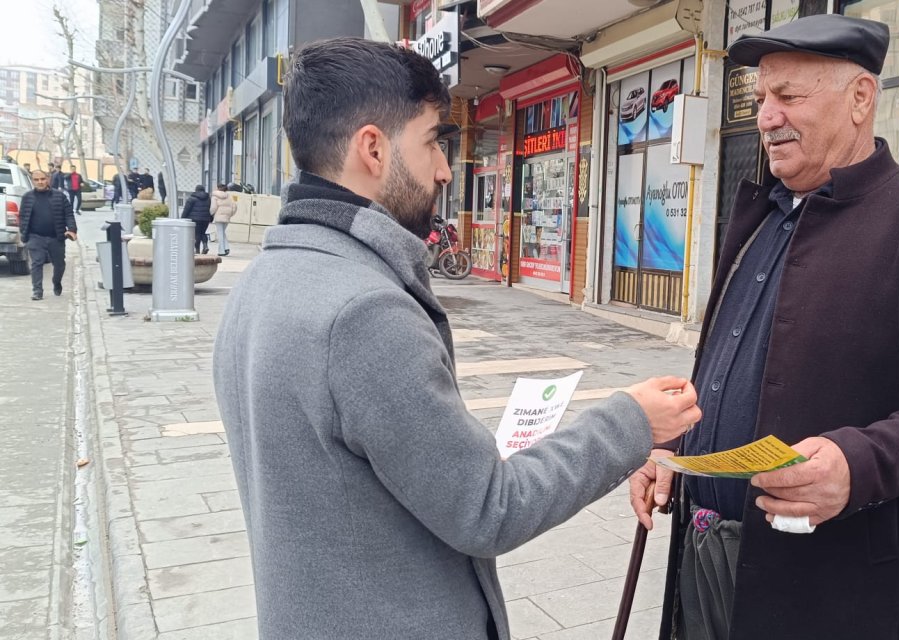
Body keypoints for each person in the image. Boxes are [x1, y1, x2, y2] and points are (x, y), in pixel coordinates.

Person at [211, 37, 703, 639]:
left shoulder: (268, 275)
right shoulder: (365, 314)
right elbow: (489, 508)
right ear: (373, 148)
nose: (445, 169)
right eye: (432, 142)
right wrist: (631, 420)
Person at [628, 15, 899, 639]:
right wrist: (676, 450)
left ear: (861, 99)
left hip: (835, 590)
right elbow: (730, 369)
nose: (766, 117)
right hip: (702, 558)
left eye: (789, 97)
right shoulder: (759, 214)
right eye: (761, 99)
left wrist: (857, 464)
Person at [18, 170, 77, 300]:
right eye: (36, 180)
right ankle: (37, 291)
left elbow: (69, 214)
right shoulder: (27, 197)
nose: (40, 182)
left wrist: (72, 229)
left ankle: (56, 282)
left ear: (48, 179)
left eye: (43, 179)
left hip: (56, 237)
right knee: (37, 263)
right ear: (32, 181)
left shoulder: (59, 196)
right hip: (35, 237)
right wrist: (24, 233)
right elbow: (22, 216)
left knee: (59, 264)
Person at [180, 184, 213, 254]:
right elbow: (210, 209)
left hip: (194, 219)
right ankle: (205, 245)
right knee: (203, 233)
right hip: (205, 219)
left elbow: (187, 209)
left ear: (196, 190)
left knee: (197, 234)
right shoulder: (208, 198)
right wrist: (211, 218)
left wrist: (182, 218)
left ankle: (197, 249)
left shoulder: (192, 198)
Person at [210, 183, 236, 256]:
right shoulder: (229, 196)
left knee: (220, 233)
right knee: (222, 232)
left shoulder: (215, 196)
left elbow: (213, 207)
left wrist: (211, 213)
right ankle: (226, 248)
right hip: (227, 217)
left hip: (218, 217)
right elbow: (234, 207)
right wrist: (230, 214)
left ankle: (222, 251)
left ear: (218, 188)